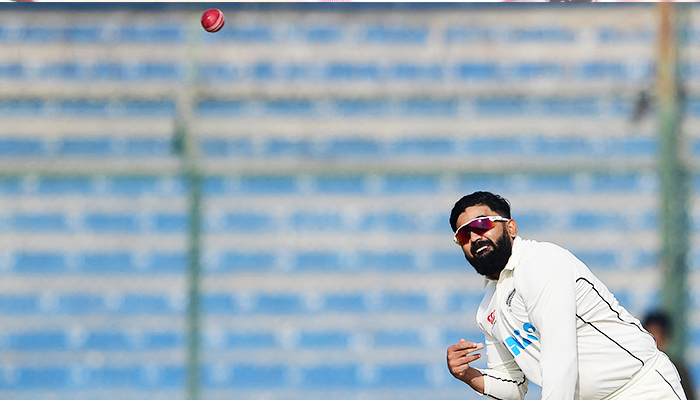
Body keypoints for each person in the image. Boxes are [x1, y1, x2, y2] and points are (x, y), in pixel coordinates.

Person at [446, 191, 686, 400]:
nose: (475, 238)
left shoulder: (540, 263)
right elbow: (514, 387)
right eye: (463, 235)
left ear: (511, 227)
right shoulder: (488, 309)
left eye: (481, 225)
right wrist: (467, 374)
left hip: (639, 389)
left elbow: (561, 360)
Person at [642, 310, 696, 400]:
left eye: (659, 335)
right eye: (651, 334)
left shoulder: (678, 370)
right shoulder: (635, 368)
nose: (655, 340)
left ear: (667, 338)